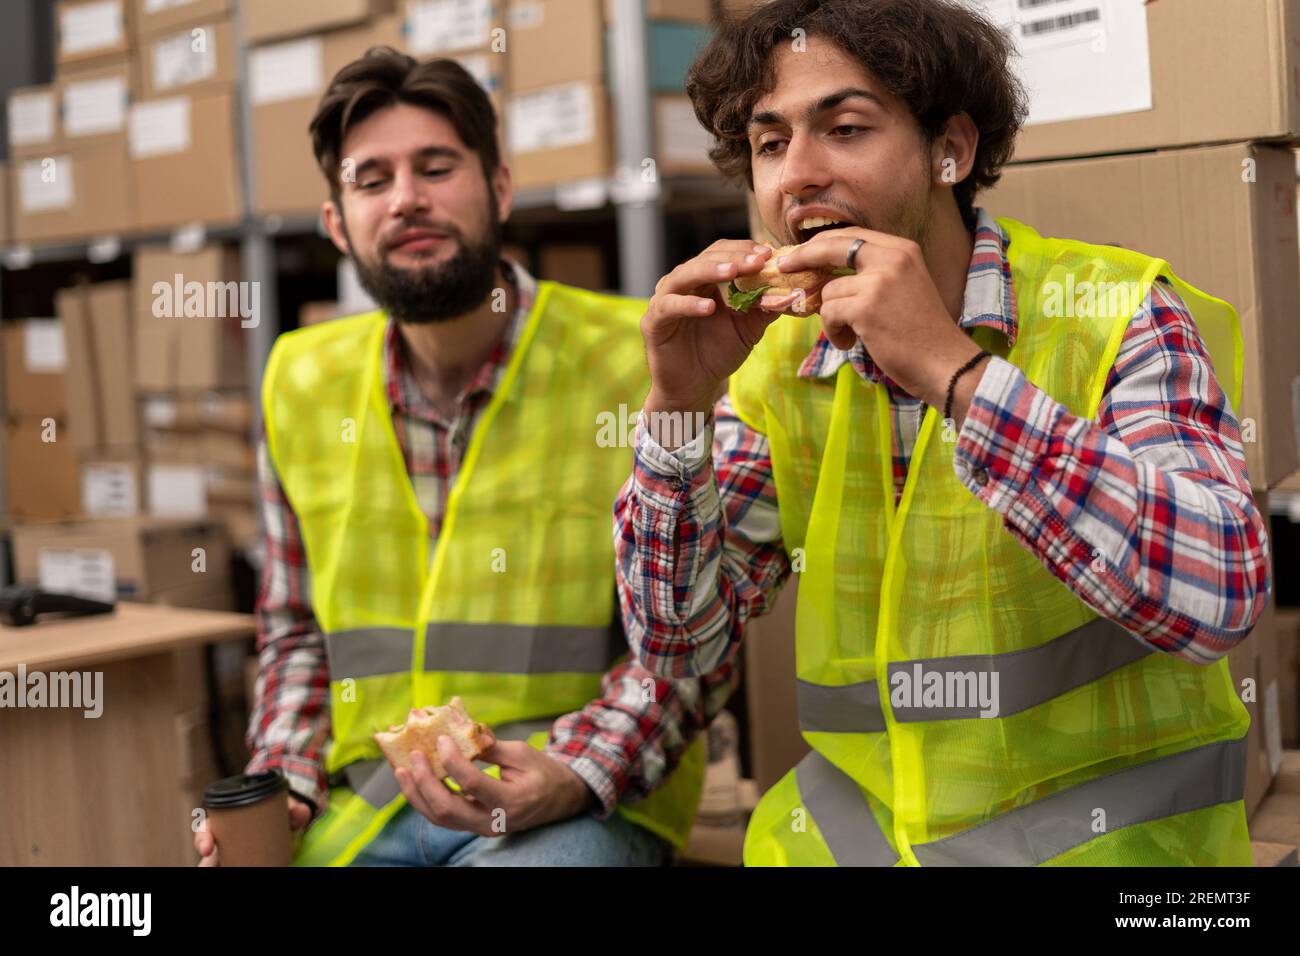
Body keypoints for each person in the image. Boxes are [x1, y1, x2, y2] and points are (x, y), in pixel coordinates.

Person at [617, 0, 1271, 866]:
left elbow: (1220, 594)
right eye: (770, 144)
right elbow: (677, 641)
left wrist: (955, 373)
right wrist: (678, 404)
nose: (797, 175)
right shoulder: (778, 369)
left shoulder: (1115, 314)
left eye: (843, 128)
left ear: (950, 150)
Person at [196, 48, 721, 867]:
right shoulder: (300, 377)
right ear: (338, 224)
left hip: (570, 798)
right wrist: (286, 785)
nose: (407, 199)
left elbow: (690, 638)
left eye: (436, 168)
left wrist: (575, 772)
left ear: (500, 189)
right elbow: (294, 631)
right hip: (365, 805)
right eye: (371, 181)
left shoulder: (638, 359)